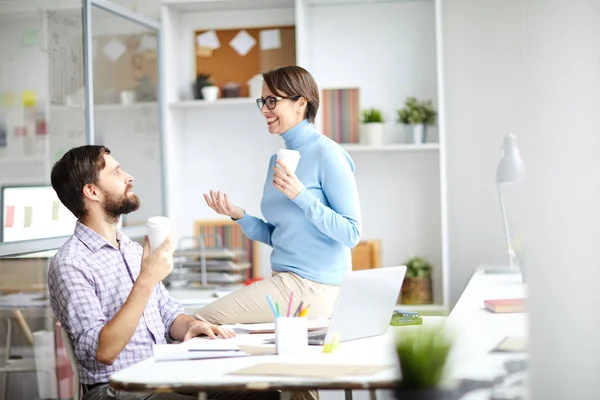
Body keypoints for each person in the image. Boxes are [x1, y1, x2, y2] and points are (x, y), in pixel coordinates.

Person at [48, 145, 279, 400]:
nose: (129, 176)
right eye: (116, 173)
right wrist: (146, 280)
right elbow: (104, 351)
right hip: (118, 388)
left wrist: (193, 325)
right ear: (92, 191)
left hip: (160, 374)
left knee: (264, 395)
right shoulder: (71, 263)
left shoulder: (132, 250)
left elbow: (169, 316)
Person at [196, 65, 361, 325]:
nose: (264, 110)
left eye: (272, 100)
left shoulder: (328, 154)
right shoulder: (278, 159)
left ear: (301, 103)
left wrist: (301, 195)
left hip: (315, 287)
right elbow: (279, 236)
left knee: (199, 320)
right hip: (284, 280)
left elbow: (351, 234)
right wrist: (238, 215)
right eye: (263, 101)